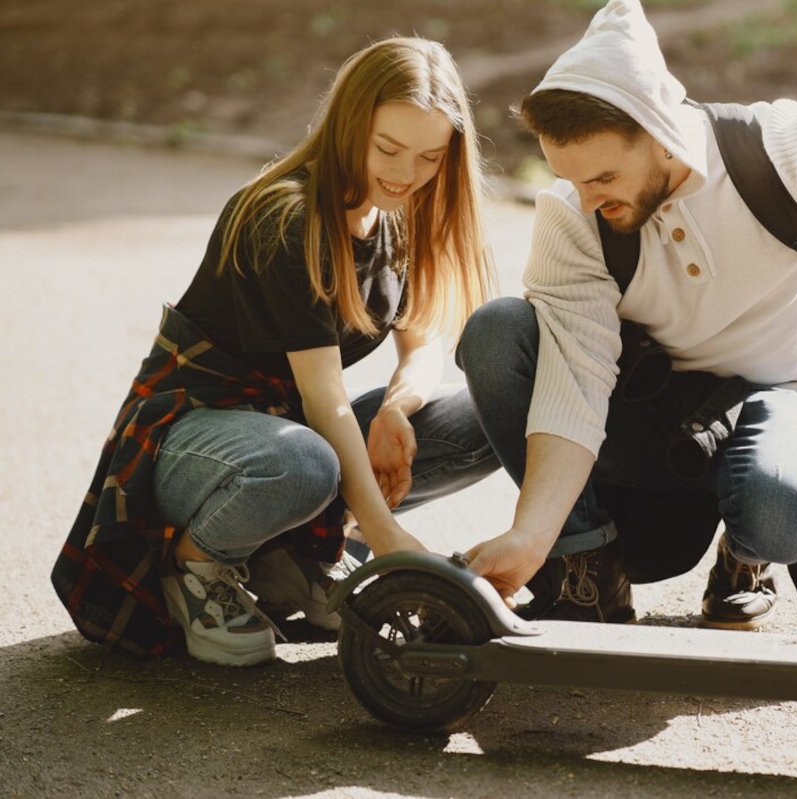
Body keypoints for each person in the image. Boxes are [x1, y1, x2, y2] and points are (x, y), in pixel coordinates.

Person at [455, 0, 797, 629]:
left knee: (782, 510)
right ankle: (588, 567)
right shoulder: (573, 215)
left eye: (603, 177)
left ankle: (746, 555)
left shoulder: (778, 151)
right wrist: (536, 537)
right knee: (499, 331)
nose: (588, 200)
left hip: (776, 401)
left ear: (659, 132)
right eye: (573, 179)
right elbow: (575, 380)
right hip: (650, 414)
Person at [51, 36, 499, 666]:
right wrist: (384, 532)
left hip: (289, 431)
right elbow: (323, 398)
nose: (406, 174)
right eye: (388, 150)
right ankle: (200, 566)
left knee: (483, 419)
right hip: (194, 441)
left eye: (429, 157)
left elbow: (422, 339)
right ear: (349, 128)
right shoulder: (284, 214)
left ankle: (293, 557)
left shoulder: (396, 208)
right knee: (306, 463)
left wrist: (400, 405)